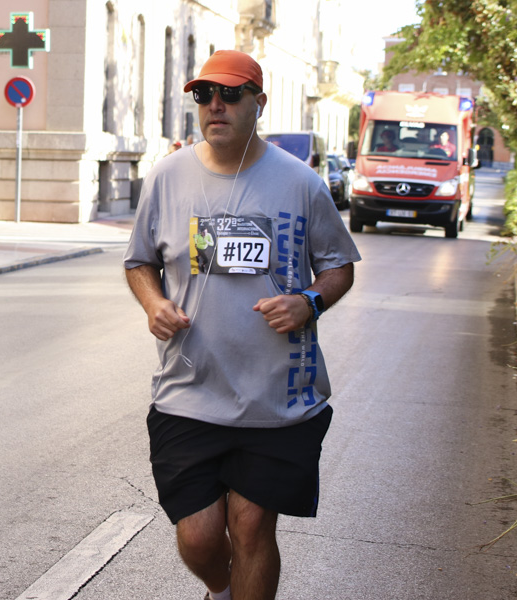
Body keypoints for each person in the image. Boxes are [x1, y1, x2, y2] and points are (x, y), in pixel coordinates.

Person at [123, 50, 360, 600]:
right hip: (189, 392)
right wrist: (153, 303)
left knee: (253, 525)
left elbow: (338, 268)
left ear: (259, 103)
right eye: (204, 95)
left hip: (277, 399)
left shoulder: (300, 183)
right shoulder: (167, 176)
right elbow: (139, 263)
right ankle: (222, 589)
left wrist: (309, 301)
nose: (215, 105)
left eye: (230, 94)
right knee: (200, 536)